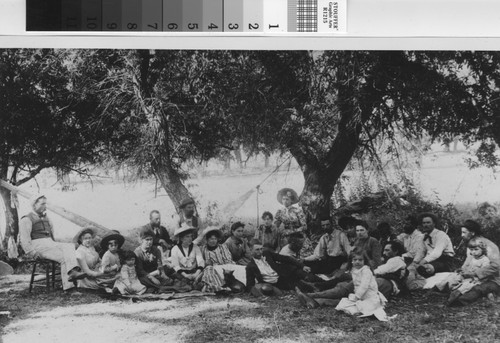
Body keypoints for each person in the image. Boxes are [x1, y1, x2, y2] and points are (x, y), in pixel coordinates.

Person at [19, 194, 86, 291]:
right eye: (42, 204)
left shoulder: (47, 218)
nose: (45, 206)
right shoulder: (27, 219)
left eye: (45, 204)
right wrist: (32, 252)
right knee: (65, 257)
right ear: (34, 205)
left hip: (49, 243)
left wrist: (55, 245)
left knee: (69, 247)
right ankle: (69, 286)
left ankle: (72, 276)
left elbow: (52, 235)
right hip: (38, 246)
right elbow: (24, 239)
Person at [441, 220, 500, 305]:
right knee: (455, 280)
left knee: (477, 288)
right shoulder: (472, 244)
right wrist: (462, 270)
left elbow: (496, 266)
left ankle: (460, 302)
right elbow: (469, 260)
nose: (462, 235)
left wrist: (474, 273)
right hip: (475, 278)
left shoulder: (489, 246)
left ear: (472, 233)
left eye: (464, 232)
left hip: (493, 279)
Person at [246, 239, 317, 297]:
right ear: (251, 249)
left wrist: (302, 266)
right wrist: (258, 293)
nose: (260, 252)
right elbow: (250, 284)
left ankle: (320, 285)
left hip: (282, 278)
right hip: (271, 284)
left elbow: (286, 258)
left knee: (306, 284)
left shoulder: (267, 253)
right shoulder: (250, 266)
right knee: (298, 288)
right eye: (257, 250)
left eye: (261, 249)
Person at [446, 237, 491, 306]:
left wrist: (472, 275)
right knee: (454, 279)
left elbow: (484, 273)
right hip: (467, 277)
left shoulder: (485, 260)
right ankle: (450, 292)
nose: (473, 252)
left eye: (476, 249)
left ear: (483, 250)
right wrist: (462, 270)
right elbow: (466, 267)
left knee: (467, 287)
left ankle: (458, 300)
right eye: (471, 250)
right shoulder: (472, 258)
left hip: (477, 280)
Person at [134, 227, 182, 293]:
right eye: (147, 240)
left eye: (151, 239)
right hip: (145, 275)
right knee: (142, 280)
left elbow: (159, 264)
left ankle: (160, 286)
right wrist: (151, 277)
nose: (150, 242)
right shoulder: (137, 253)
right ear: (142, 240)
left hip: (157, 273)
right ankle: (161, 287)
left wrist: (163, 274)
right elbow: (140, 271)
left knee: (169, 269)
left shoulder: (156, 250)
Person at [200, 226, 246, 292]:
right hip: (213, 269)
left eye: (215, 239)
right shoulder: (203, 249)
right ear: (207, 240)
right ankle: (221, 287)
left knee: (243, 270)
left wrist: (225, 266)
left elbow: (228, 259)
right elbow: (203, 262)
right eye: (211, 239)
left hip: (226, 266)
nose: (213, 241)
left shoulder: (222, 247)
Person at [274, 188, 312, 257]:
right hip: (286, 239)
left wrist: (291, 231)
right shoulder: (280, 212)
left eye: (287, 199)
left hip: (299, 237)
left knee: (303, 257)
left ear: (291, 200)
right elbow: (275, 225)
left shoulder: (297, 211)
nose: (285, 201)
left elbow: (304, 226)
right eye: (283, 199)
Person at [416, 213, 455, 277]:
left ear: (434, 224)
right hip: (432, 260)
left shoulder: (441, 235)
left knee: (426, 269)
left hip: (445, 261)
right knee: (415, 268)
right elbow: (421, 251)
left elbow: (437, 252)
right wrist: (415, 262)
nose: (425, 225)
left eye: (428, 223)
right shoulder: (424, 237)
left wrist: (423, 261)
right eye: (424, 223)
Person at [171, 224, 205, 289]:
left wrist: (196, 274)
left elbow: (200, 261)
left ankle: (194, 282)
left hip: (194, 272)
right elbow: (176, 265)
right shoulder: (175, 249)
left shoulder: (195, 247)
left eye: (191, 236)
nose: (190, 239)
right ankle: (191, 284)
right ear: (181, 238)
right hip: (182, 273)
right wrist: (186, 275)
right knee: (175, 277)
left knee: (204, 272)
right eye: (187, 237)